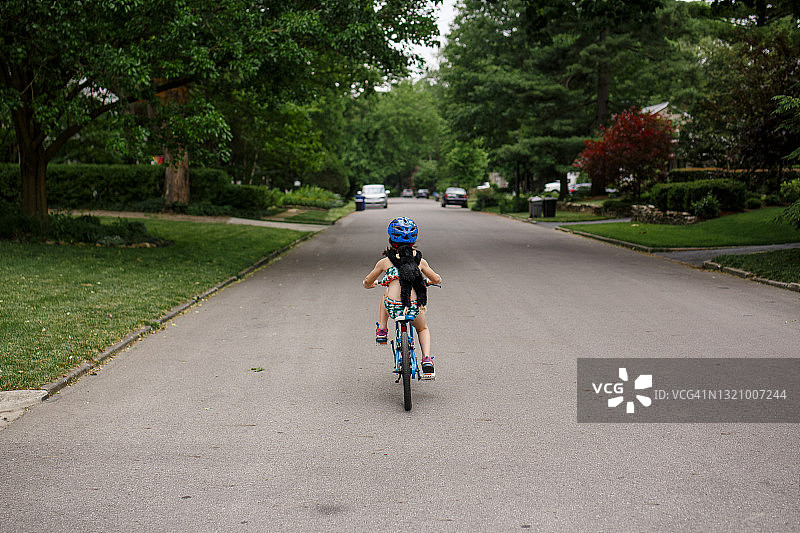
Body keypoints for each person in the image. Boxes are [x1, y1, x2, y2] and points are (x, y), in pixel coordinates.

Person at [363, 217, 442, 376]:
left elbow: (367, 280)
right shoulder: (420, 261)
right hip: (413, 307)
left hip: (393, 307)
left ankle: (383, 330)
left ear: (391, 240)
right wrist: (429, 281)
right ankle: (426, 358)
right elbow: (437, 279)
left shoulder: (384, 262)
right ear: (413, 242)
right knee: (422, 328)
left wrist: (369, 284)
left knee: (385, 294)